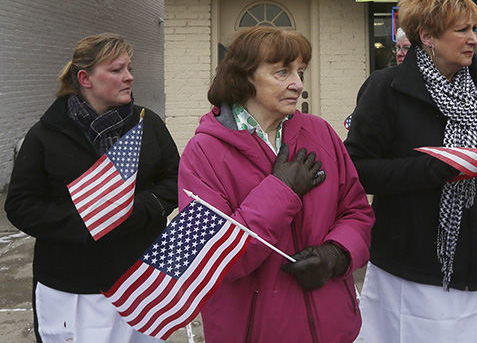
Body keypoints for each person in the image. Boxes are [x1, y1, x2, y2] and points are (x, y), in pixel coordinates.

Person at [345, 0, 477, 342]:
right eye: (461, 30)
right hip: (411, 273)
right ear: (427, 36)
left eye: (474, 28)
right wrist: (436, 169)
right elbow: (356, 171)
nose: (474, 38)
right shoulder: (386, 89)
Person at [178, 26, 374, 343]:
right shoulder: (203, 153)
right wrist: (281, 189)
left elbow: (357, 212)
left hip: (333, 329)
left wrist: (336, 255)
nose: (297, 84)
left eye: (300, 71)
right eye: (282, 72)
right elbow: (213, 257)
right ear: (244, 77)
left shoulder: (320, 133)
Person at [5, 34, 179, 343]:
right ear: (85, 78)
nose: (129, 77)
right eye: (117, 70)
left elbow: (174, 180)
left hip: (140, 278)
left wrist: (139, 208)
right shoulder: (45, 135)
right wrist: (84, 222)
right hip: (71, 284)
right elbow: (21, 205)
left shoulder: (148, 125)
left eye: (129, 68)